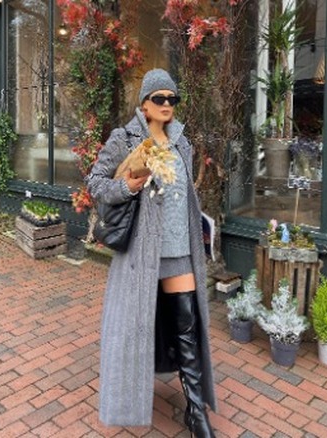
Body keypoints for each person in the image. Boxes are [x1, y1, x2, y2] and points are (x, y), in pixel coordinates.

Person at [87, 68, 217, 437]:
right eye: (158, 98)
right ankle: (127, 398)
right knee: (134, 328)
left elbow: (183, 193)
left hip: (178, 248)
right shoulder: (124, 138)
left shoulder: (182, 142)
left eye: (171, 99)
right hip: (139, 253)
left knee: (187, 325)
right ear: (143, 103)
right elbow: (96, 184)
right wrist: (127, 186)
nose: (166, 105)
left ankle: (196, 411)